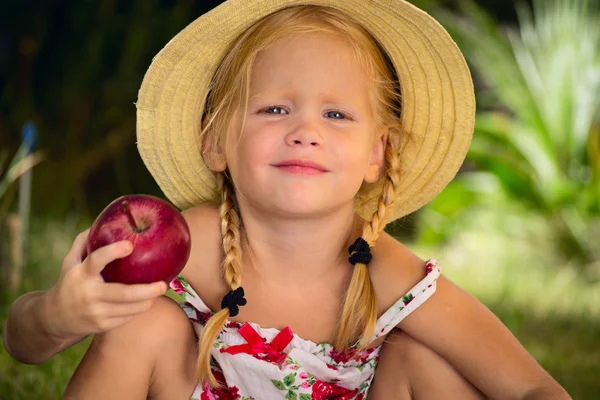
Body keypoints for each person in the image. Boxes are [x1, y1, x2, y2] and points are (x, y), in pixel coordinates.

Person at [3, 0, 571, 399]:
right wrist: (58, 314)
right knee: (142, 325)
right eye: (274, 109)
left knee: (425, 362)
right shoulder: (186, 245)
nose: (305, 130)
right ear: (216, 141)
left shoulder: (387, 275)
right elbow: (22, 341)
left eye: (336, 114)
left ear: (378, 154)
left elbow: (527, 386)